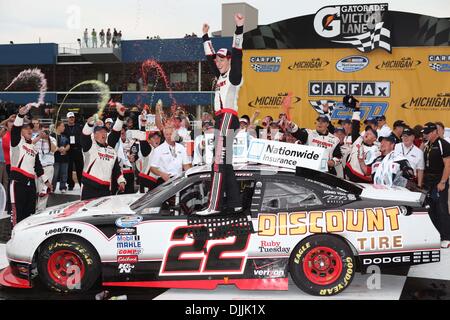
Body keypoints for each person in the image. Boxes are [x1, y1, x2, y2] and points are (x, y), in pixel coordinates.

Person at [196, 13, 245, 215]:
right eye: (218, 58)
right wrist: (206, 37)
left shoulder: (234, 75)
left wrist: (239, 28)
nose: (218, 61)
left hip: (227, 117)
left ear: (229, 60)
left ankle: (213, 206)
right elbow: (209, 59)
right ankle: (236, 203)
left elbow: (238, 52)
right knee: (226, 163)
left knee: (217, 161)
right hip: (223, 119)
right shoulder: (220, 75)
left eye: (222, 59)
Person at [10, 105, 52, 226]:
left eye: (30, 128)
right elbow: (15, 130)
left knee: (30, 213)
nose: (29, 130)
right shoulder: (17, 142)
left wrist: (47, 182)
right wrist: (20, 116)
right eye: (26, 128)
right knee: (18, 213)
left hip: (31, 183)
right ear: (21, 132)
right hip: (18, 182)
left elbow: (38, 167)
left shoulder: (33, 148)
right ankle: (15, 238)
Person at [80, 105, 126, 200]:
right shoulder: (89, 146)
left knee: (103, 214)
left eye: (105, 132)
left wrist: (121, 181)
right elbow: (84, 135)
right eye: (100, 132)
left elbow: (116, 169)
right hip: (89, 187)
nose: (103, 134)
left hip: (105, 189)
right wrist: (90, 123)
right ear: (94, 134)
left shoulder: (112, 151)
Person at [421, 122, 450, 249]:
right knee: (430, 208)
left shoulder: (443, 144)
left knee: (442, 208)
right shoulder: (428, 145)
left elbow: (448, 164)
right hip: (428, 181)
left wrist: (443, 182)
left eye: (427, 133)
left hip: (439, 180)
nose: (425, 135)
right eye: (424, 133)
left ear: (434, 132)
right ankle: (436, 234)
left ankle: (446, 237)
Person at [33, 124, 57, 212]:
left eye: (47, 131)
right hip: (36, 168)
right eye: (43, 131)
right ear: (40, 130)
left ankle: (41, 210)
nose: (45, 133)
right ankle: (34, 208)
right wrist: (39, 137)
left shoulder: (52, 139)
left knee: (44, 189)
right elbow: (30, 144)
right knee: (35, 189)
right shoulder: (35, 138)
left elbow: (54, 149)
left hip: (48, 167)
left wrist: (47, 139)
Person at [63, 112, 83, 191]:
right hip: (69, 150)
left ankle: (81, 184)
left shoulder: (79, 127)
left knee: (80, 168)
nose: (72, 119)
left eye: (73, 117)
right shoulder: (64, 127)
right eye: (70, 117)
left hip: (78, 149)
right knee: (69, 168)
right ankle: (70, 184)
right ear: (67, 118)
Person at [52, 121, 70, 193]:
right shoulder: (52, 135)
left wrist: (65, 149)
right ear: (58, 127)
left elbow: (68, 145)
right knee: (55, 174)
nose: (64, 127)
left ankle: (63, 187)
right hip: (55, 158)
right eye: (62, 126)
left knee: (64, 174)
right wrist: (59, 149)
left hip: (64, 158)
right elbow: (51, 145)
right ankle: (52, 187)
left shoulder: (64, 136)